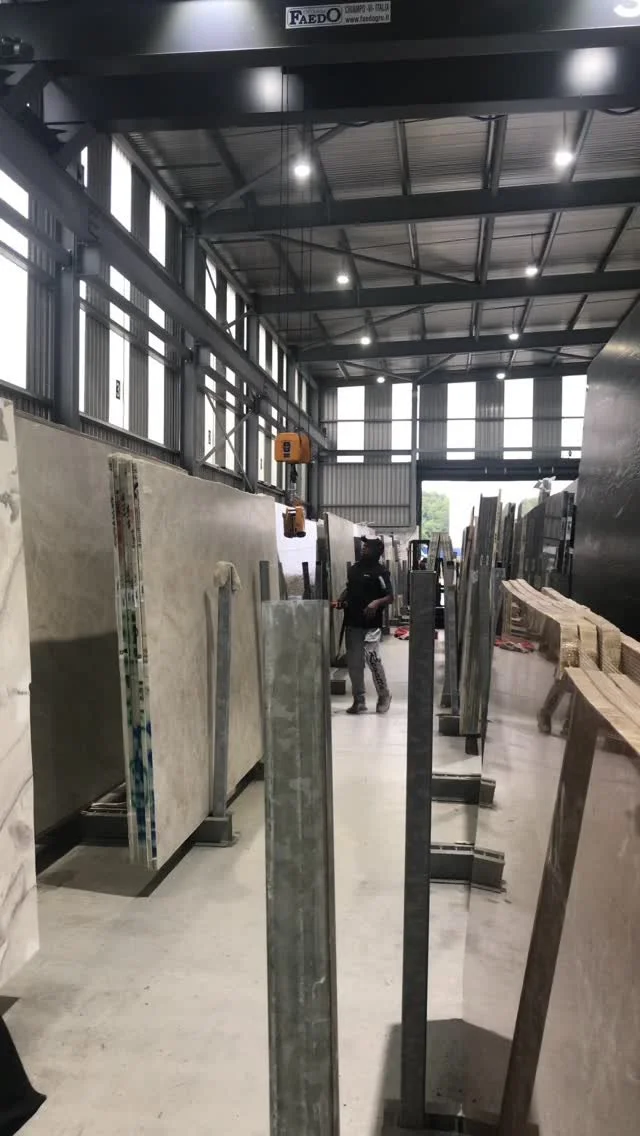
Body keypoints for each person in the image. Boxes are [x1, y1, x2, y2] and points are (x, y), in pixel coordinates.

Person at [336, 536, 393, 715]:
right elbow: (349, 589)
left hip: (371, 625)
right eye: (364, 545)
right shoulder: (354, 569)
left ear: (377, 551)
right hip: (352, 622)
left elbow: (390, 596)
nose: (364, 548)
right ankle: (359, 700)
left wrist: (376, 603)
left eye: (367, 546)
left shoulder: (381, 572)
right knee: (354, 664)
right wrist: (341, 599)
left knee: (372, 659)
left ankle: (384, 695)